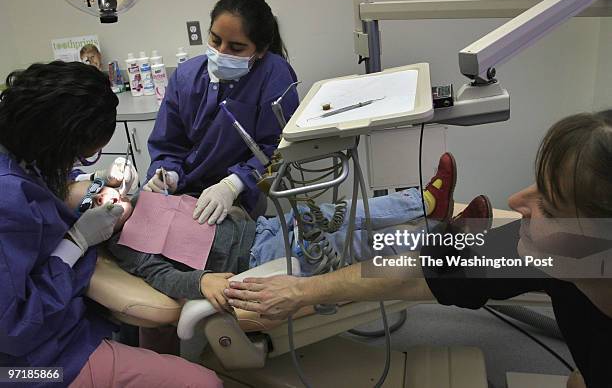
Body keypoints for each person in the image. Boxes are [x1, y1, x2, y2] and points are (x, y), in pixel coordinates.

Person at [225, 110, 612, 388]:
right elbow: (417, 270)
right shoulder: (542, 254)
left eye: (548, 205)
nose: (516, 200)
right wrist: (300, 290)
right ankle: (428, 210)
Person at [0, 61, 222, 387]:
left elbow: (42, 188)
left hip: (68, 323)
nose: (81, 165)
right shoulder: (6, 201)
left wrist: (94, 180)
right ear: (59, 141)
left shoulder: (19, 145)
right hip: (30, 368)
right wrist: (75, 243)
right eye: (82, 156)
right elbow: (14, 328)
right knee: (204, 383)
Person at [66, 153, 484, 313]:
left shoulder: (149, 197)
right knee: (349, 240)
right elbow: (162, 277)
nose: (107, 197)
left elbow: (201, 217)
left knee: (343, 211)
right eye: (92, 203)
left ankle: (427, 205)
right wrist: (203, 280)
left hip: (267, 229)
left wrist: (182, 186)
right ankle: (446, 242)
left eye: (101, 186)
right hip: (258, 260)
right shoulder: (127, 248)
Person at [144, 0, 299, 226]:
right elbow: (168, 144)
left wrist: (233, 184)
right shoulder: (186, 77)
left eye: (236, 48)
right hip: (183, 189)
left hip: (241, 196)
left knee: (217, 243)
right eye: (215, 40)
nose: (221, 53)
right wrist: (168, 174)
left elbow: (278, 149)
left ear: (260, 49)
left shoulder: (273, 74)